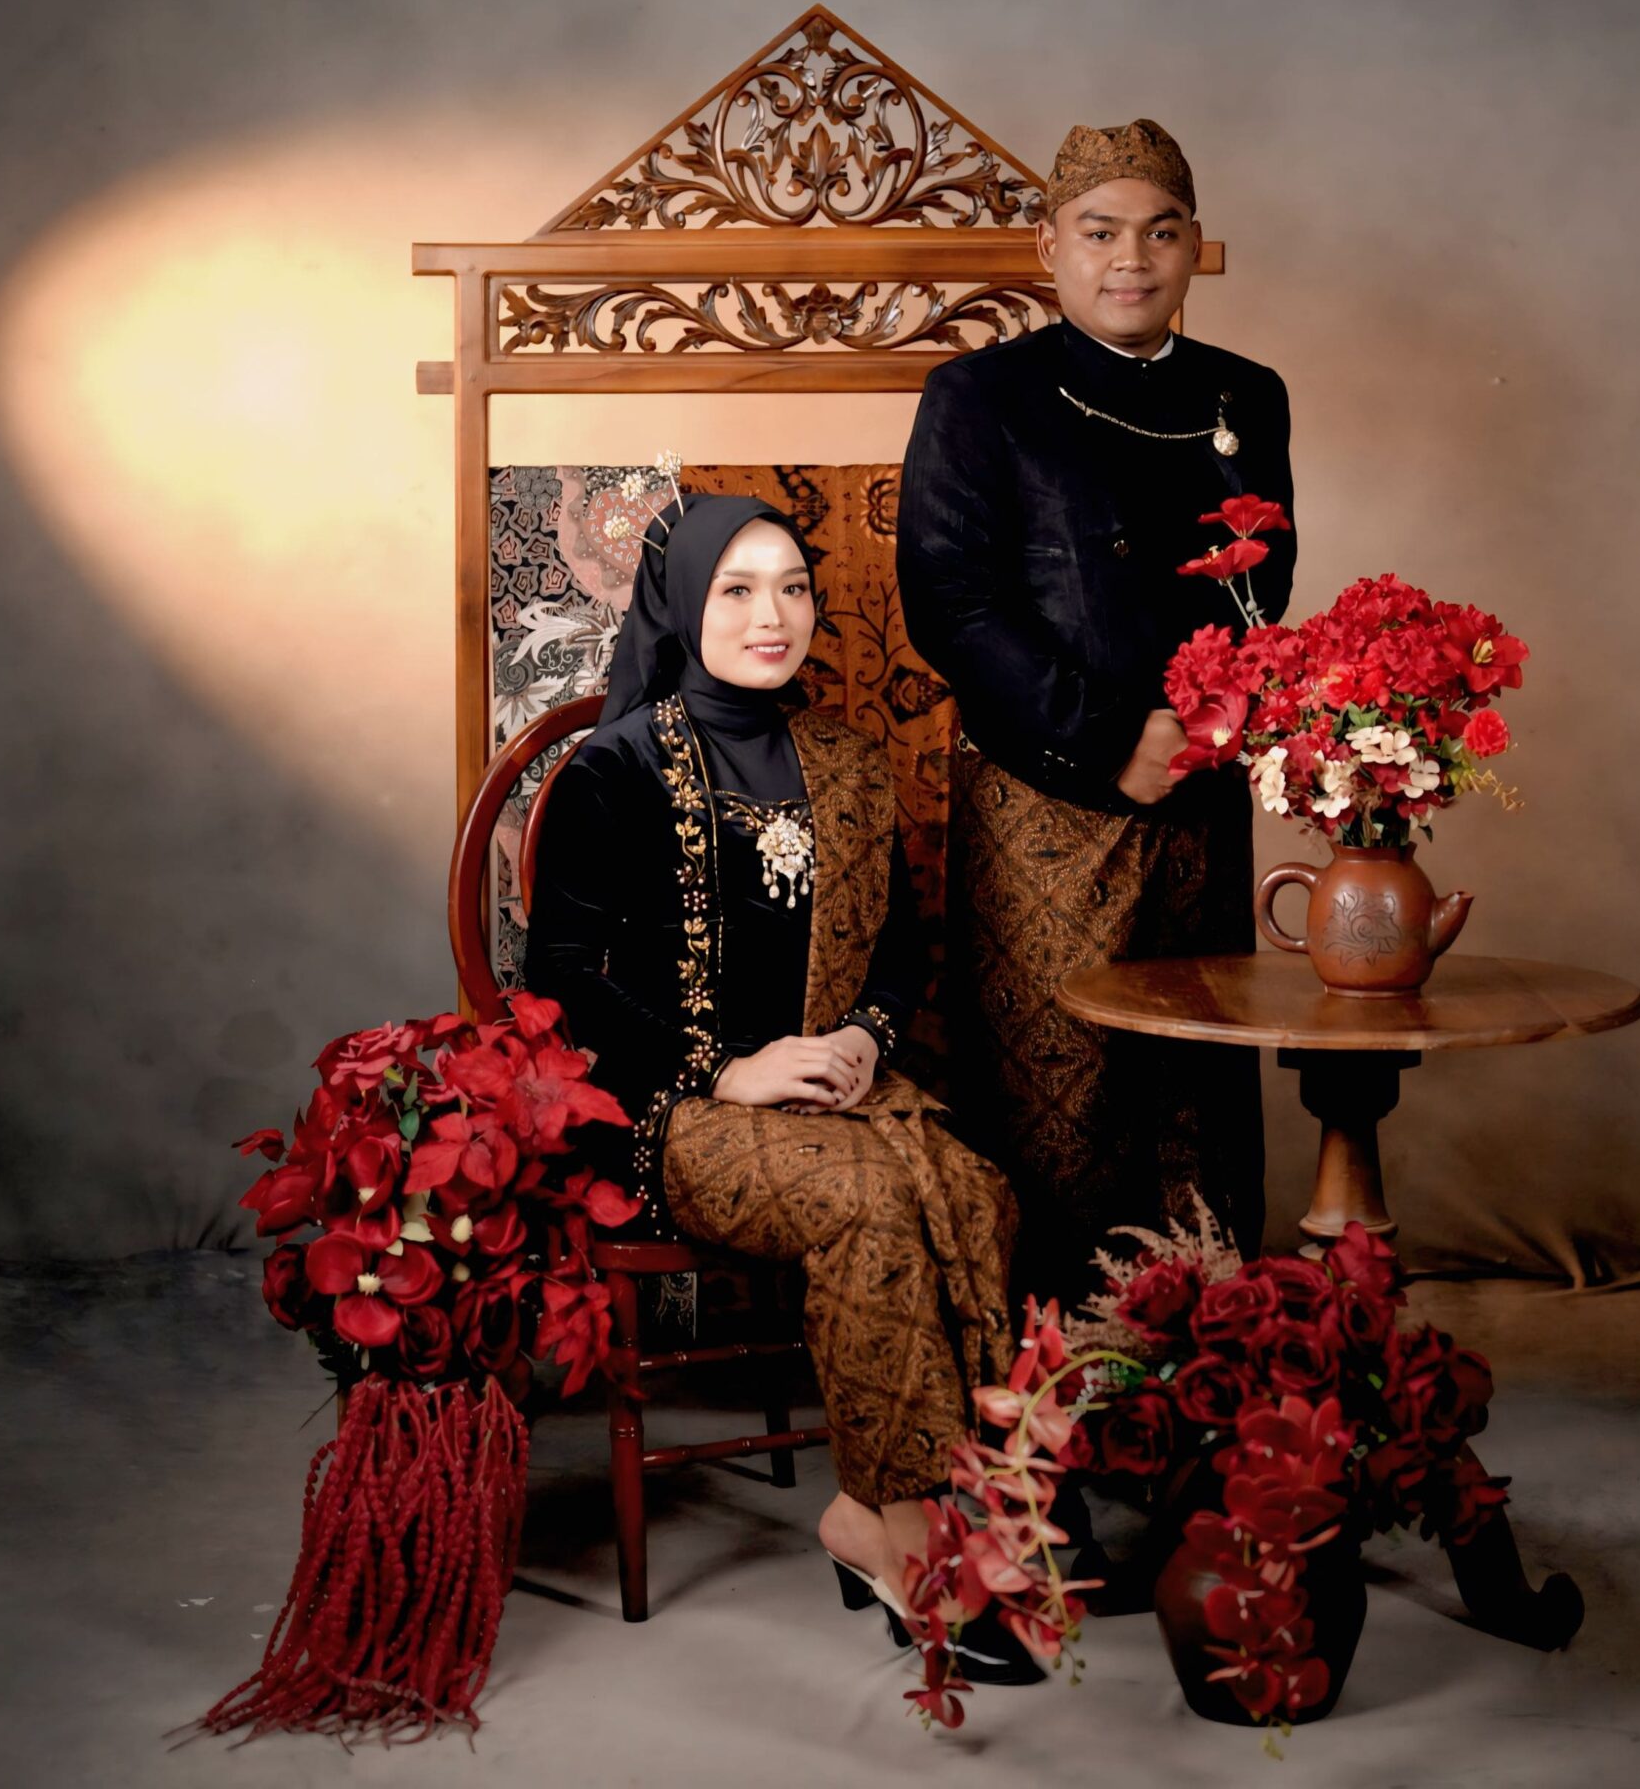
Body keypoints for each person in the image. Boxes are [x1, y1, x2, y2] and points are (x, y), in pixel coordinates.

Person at [525, 491, 1030, 1669]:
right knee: (870, 1203)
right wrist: (725, 1069)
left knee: (976, 1191)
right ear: (679, 604)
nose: (773, 616)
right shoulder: (617, 767)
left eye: (793, 589)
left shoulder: (847, 762)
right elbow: (560, 979)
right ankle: (903, 1530)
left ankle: (924, 1504)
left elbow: (900, 948)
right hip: (672, 1112)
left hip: (834, 1091)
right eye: (737, 590)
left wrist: (864, 1036)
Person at [899, 119, 1297, 1304]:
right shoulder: (980, 395)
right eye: (1100, 232)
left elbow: (1265, 579)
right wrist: (1112, 736)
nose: (1131, 260)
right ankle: (1052, 1379)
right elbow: (951, 604)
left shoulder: (1245, 394)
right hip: (1049, 798)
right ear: (1049, 247)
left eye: (1160, 233)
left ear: (1193, 247)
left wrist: (1211, 721)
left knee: (1197, 1096)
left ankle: (1205, 1366)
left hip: (1199, 796)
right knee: (1063, 1106)